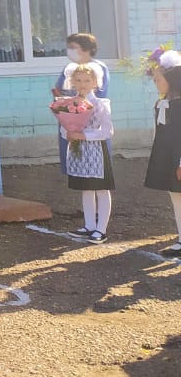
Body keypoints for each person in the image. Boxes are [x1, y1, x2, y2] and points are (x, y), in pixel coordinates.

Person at [62, 63, 114, 243]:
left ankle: (101, 230)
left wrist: (83, 135)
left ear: (95, 82)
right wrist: (68, 133)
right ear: (72, 82)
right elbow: (64, 127)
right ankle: (89, 225)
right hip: (79, 151)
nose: (82, 84)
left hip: (96, 151)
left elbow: (107, 131)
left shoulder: (100, 104)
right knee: (86, 188)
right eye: (78, 80)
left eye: (86, 80)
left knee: (101, 188)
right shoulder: (70, 104)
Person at [52, 32, 110, 174]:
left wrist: (79, 105)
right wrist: (62, 103)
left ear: (86, 48)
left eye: (73, 47)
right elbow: (60, 89)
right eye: (68, 47)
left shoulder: (97, 68)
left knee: (94, 165)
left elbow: (99, 94)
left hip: (90, 121)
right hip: (70, 119)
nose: (69, 51)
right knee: (74, 160)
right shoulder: (69, 68)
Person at [145, 55, 181, 258]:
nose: (155, 82)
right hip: (168, 157)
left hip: (179, 158)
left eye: (158, 78)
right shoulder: (162, 103)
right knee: (176, 198)